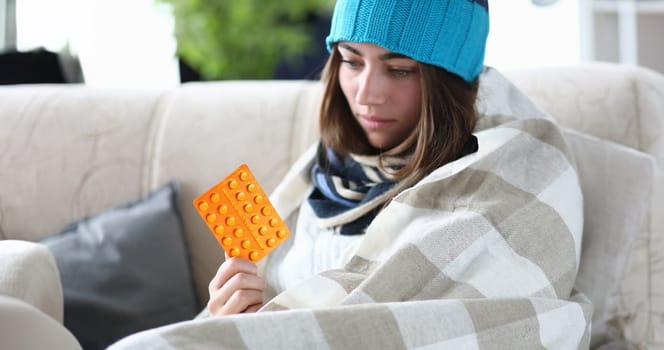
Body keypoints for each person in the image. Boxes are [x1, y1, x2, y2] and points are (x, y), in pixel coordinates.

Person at [111, 0, 592, 348]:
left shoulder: (515, 164)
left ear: (450, 80)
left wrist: (273, 329)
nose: (366, 94)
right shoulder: (328, 168)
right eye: (350, 60)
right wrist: (228, 316)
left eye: (399, 68)